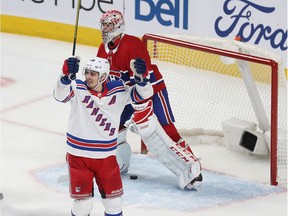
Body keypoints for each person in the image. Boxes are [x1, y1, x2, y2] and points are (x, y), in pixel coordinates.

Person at [96, 10, 203, 190]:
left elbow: (144, 81)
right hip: (126, 96)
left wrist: (141, 79)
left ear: (118, 26)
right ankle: (120, 161)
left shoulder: (132, 45)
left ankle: (192, 168)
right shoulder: (102, 48)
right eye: (103, 25)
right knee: (112, 128)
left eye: (109, 25)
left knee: (166, 129)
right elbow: (102, 79)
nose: (105, 29)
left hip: (152, 91)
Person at [53, 56, 153, 216]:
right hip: (79, 157)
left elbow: (144, 94)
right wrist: (65, 77)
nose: (88, 77)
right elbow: (60, 95)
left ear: (104, 77)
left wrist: (142, 79)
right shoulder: (78, 88)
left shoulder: (118, 91)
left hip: (106, 158)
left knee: (114, 203)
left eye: (93, 74)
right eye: (87, 72)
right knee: (82, 205)